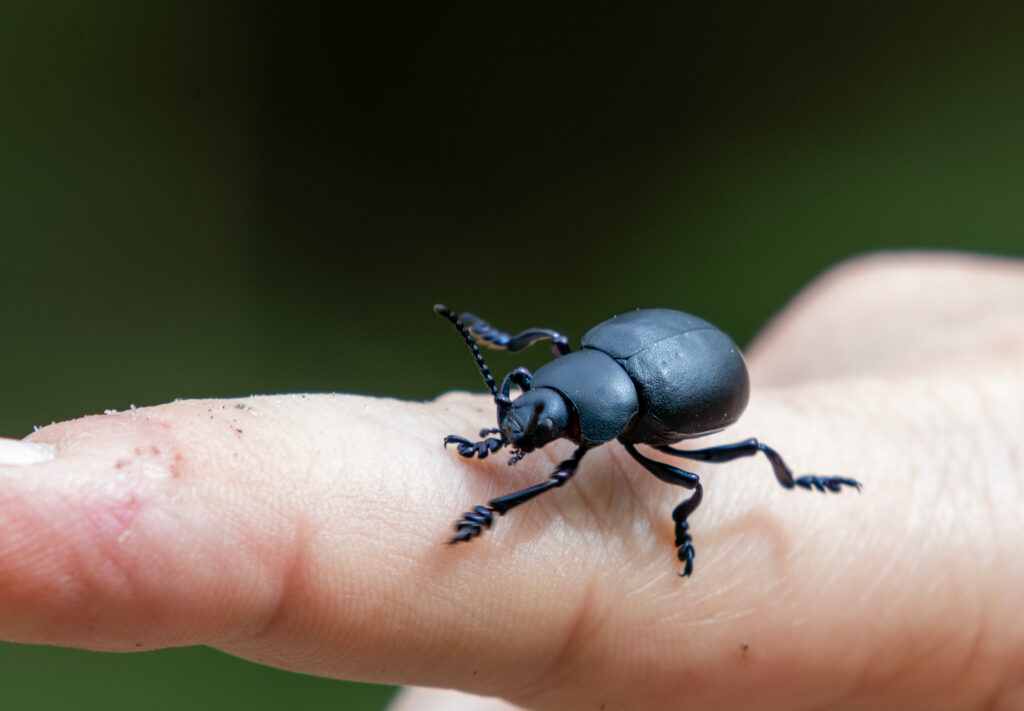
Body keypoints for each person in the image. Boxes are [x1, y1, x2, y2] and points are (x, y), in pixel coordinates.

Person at [1, 252, 1021, 711]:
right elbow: (550, 396)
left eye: (536, 416)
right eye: (524, 399)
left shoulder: (627, 437)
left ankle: (791, 490)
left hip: (689, 381)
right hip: (623, 360)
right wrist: (511, 397)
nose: (524, 423)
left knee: (722, 475)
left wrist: (497, 502)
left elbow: (586, 453)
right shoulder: (568, 384)